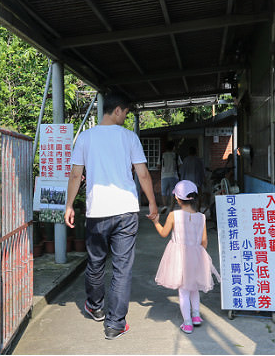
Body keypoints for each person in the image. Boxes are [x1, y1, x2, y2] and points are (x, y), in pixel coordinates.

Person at [64, 92, 157, 340]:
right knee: (122, 269)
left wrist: (69, 205)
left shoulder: (85, 138)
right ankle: (115, 324)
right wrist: (153, 205)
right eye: (126, 113)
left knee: (95, 262)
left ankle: (95, 307)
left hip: (97, 212)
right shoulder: (129, 138)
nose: (126, 118)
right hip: (126, 211)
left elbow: (75, 175)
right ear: (117, 110)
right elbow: (143, 174)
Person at [150, 180, 220, 334]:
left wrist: (156, 222)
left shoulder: (173, 215)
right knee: (194, 287)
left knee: (183, 290)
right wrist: (196, 250)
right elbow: (204, 242)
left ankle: (187, 323)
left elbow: (163, 233)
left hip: (178, 257)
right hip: (196, 254)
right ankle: (196, 316)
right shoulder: (201, 217)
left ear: (177, 198)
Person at [158, 141, 181, 212]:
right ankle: (171, 208)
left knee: (163, 192)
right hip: (174, 176)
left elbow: (158, 165)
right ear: (173, 147)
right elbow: (180, 164)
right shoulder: (176, 155)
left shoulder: (162, 155)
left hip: (164, 176)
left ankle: (165, 206)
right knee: (173, 192)